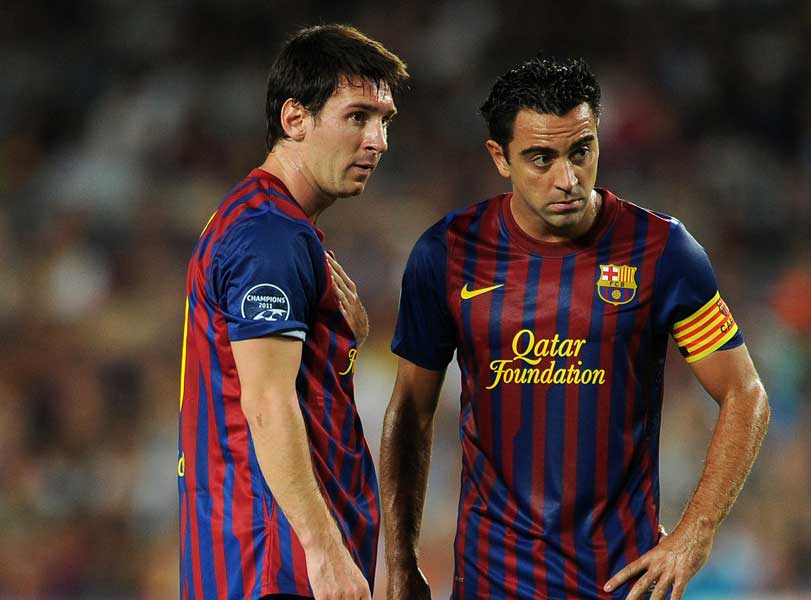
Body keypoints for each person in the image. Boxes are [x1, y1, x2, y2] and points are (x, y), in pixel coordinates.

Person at [380, 57, 770, 600]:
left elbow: (745, 394)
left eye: (580, 152)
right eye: (541, 158)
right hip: (492, 582)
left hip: (619, 583)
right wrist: (401, 562)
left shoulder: (663, 251)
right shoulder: (446, 254)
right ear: (500, 157)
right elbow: (410, 412)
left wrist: (694, 535)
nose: (567, 179)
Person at [178, 25, 408, 600]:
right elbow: (266, 403)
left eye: (384, 120)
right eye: (357, 117)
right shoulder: (269, 235)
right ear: (295, 118)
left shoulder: (267, 223)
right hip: (274, 562)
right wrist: (324, 551)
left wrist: (340, 342)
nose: (377, 140)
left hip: (263, 558)